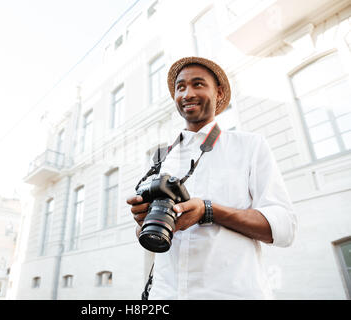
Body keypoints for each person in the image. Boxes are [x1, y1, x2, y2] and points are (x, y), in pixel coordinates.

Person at [126, 56, 297, 299]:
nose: (187, 94)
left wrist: (208, 211)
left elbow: (284, 228)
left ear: (218, 93)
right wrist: (143, 220)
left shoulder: (250, 145)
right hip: (164, 295)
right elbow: (151, 232)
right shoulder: (160, 158)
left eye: (198, 84)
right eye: (180, 87)